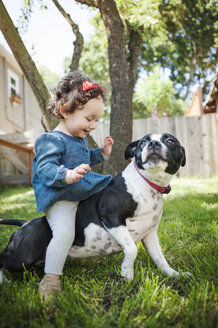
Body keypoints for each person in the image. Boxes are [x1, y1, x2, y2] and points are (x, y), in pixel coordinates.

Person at [32, 71, 114, 300]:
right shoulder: (51, 140)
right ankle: (51, 278)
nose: (94, 125)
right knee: (64, 233)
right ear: (65, 111)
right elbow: (45, 169)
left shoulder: (77, 139)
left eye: (96, 120)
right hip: (60, 197)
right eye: (89, 119)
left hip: (77, 190)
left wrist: (102, 153)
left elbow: (84, 159)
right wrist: (67, 174)